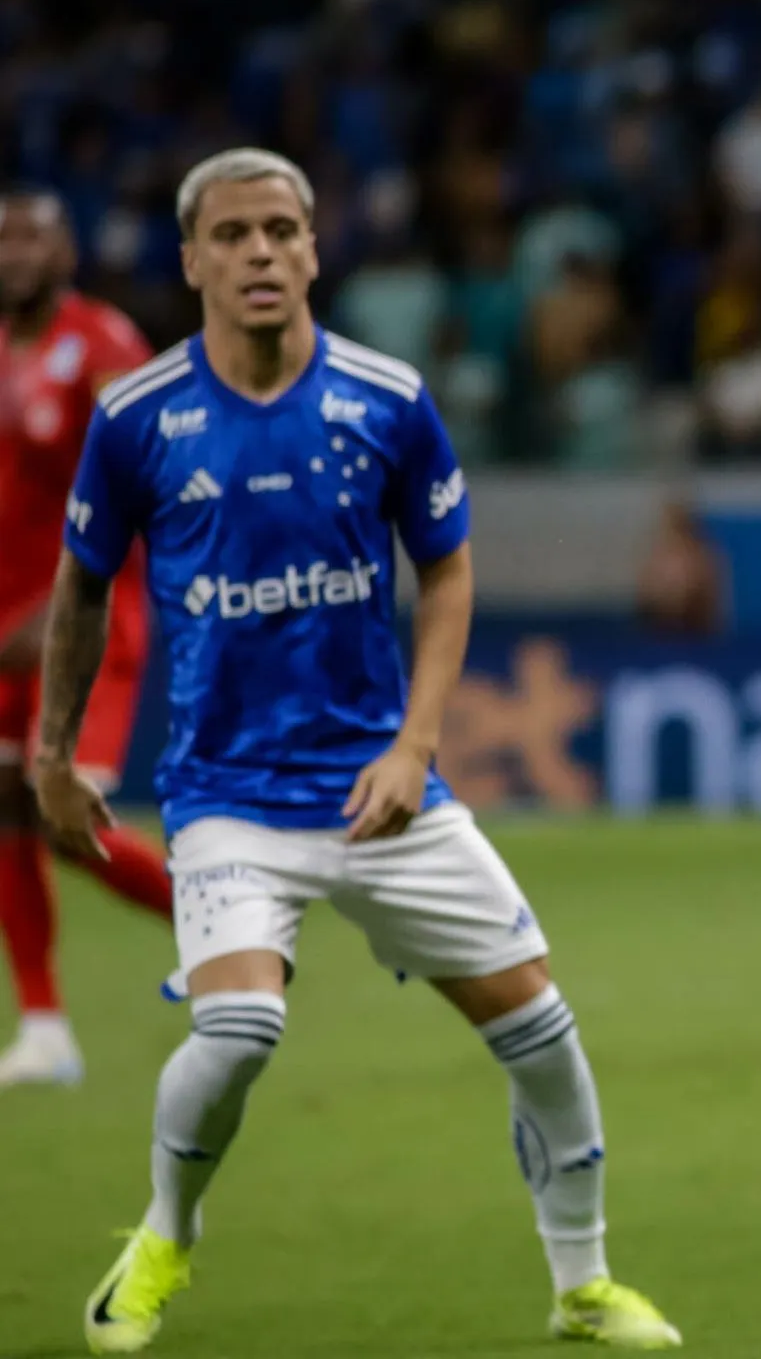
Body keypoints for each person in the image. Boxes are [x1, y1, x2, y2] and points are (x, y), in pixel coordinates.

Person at [34, 149, 680, 1353]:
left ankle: (582, 1284)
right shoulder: (137, 419)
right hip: (227, 796)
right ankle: (167, 1232)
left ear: (316, 248)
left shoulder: (385, 398)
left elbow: (445, 572)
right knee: (238, 1035)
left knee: (542, 1034)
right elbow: (81, 590)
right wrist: (52, 751)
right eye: (233, 236)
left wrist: (414, 741)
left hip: (384, 792)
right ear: (193, 262)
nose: (262, 252)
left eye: (283, 229)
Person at [0, 187, 175, 1089]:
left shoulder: (103, 348)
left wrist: (66, 601)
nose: (14, 251)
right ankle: (43, 1026)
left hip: (87, 624)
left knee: (63, 809)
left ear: (66, 251)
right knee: (4, 815)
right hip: (1, 639)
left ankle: (223, 936)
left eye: (32, 235)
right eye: (4, 237)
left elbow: (150, 481)